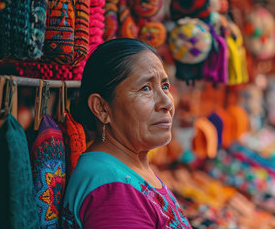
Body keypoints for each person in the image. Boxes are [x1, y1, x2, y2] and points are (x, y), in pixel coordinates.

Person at [61, 39, 191, 228]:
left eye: (164, 86)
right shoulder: (114, 191)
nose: (167, 103)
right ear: (102, 109)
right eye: (145, 88)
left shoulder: (126, 169)